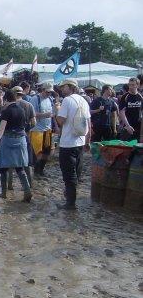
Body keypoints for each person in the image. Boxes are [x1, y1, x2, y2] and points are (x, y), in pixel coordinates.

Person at [55, 78, 91, 210]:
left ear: (70, 87)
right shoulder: (84, 100)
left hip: (68, 143)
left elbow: (60, 121)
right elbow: (88, 123)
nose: (62, 89)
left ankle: (70, 203)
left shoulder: (67, 100)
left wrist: (57, 110)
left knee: (69, 174)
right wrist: (88, 140)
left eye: (64, 87)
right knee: (76, 171)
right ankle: (70, 198)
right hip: (80, 142)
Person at [0, 89, 32, 202]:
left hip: (8, 139)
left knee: (2, 167)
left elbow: (2, 128)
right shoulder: (21, 110)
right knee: (19, 167)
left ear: (6, 99)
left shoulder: (6, 111)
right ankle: (27, 190)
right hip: (21, 139)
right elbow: (25, 126)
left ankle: (4, 193)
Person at [30, 84, 54, 176]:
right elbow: (32, 114)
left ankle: (41, 170)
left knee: (47, 152)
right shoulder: (35, 99)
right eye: (48, 92)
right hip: (37, 129)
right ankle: (36, 170)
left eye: (50, 92)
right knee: (37, 152)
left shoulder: (50, 99)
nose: (49, 94)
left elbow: (52, 114)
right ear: (43, 90)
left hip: (48, 129)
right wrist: (44, 115)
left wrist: (55, 126)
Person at [118, 77, 142, 142]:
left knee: (137, 148)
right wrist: (128, 126)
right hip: (127, 127)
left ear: (137, 85)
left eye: (133, 85)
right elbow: (121, 112)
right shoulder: (125, 96)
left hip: (138, 127)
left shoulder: (140, 96)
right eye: (130, 85)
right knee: (126, 148)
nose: (131, 87)